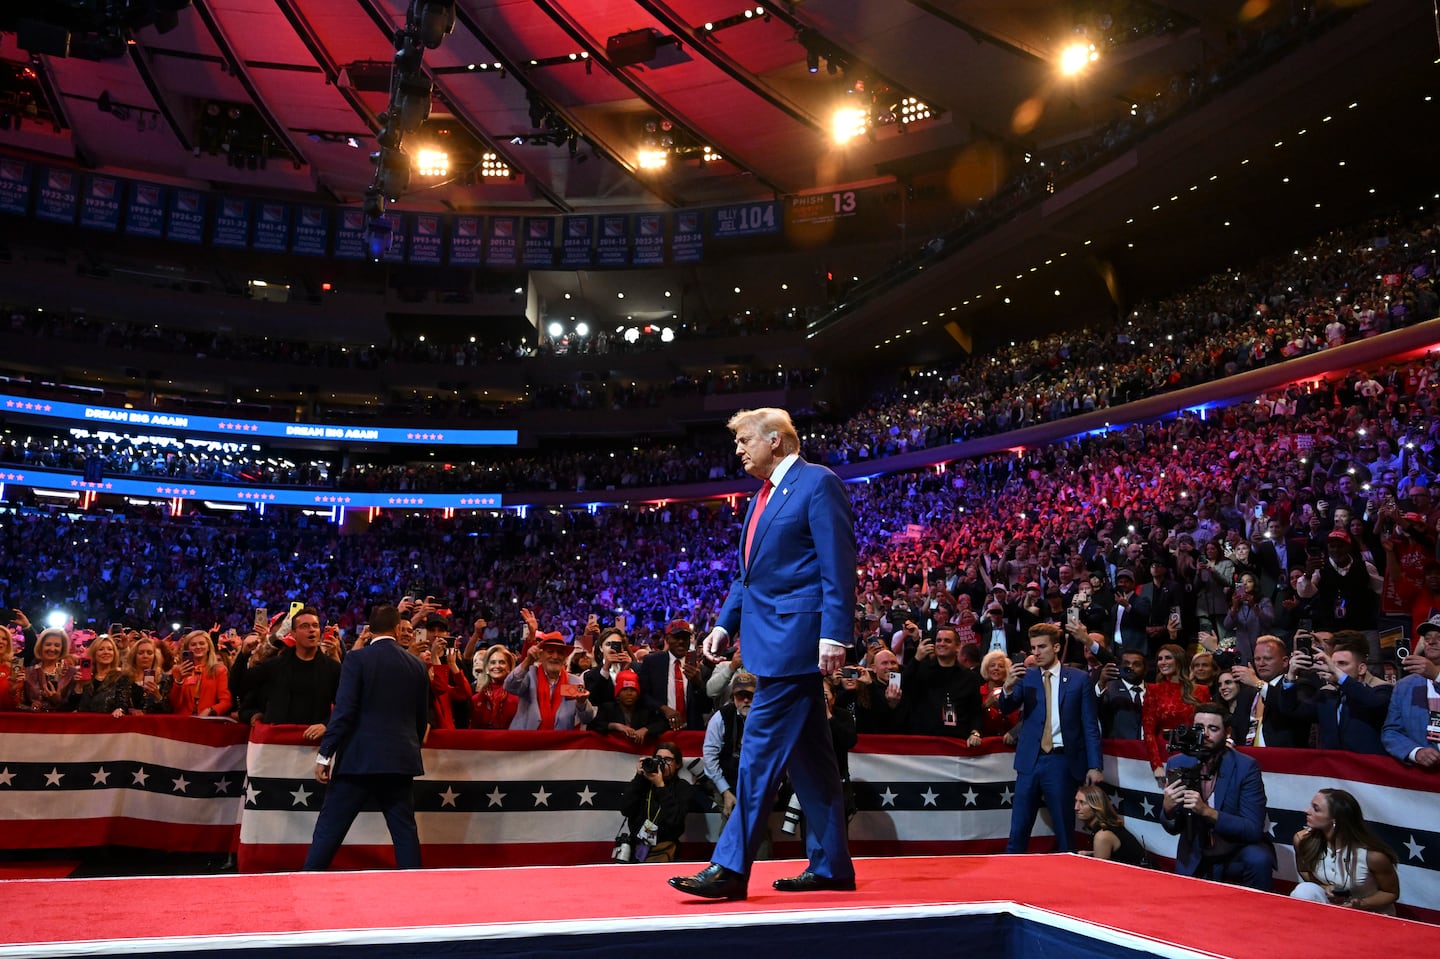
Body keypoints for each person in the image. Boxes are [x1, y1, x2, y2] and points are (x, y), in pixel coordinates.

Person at [671, 407, 856, 901]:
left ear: (776, 440)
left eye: (744, 440)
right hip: (770, 640)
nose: (737, 449)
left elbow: (839, 564)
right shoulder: (761, 497)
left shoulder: (818, 484)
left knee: (755, 757)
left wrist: (834, 634)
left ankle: (730, 867)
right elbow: (747, 576)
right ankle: (833, 865)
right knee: (814, 762)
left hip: (795, 644)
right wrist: (722, 624)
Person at [304, 604, 431, 871]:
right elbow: (421, 721)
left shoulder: (357, 659)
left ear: (369, 630)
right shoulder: (417, 666)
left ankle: (308, 880)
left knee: (330, 829)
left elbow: (344, 711)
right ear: (398, 628)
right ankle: (417, 891)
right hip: (399, 761)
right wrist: (408, 748)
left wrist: (325, 754)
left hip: (357, 761)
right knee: (404, 833)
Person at [998, 623, 1104, 853]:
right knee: (1018, 830)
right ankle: (1008, 878)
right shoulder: (1027, 677)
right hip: (1029, 761)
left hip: (1061, 762)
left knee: (1065, 829)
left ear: (1056, 647)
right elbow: (1006, 708)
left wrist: (1095, 765)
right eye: (1033, 647)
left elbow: (1089, 725)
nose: (1036, 652)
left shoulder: (1079, 679)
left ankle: (1068, 878)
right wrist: (1007, 687)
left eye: (1042, 647)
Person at [1159, 702, 1275, 891]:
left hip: (1237, 848)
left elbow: (1253, 829)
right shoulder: (1178, 762)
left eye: (1213, 728)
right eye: (1199, 728)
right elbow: (1172, 828)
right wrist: (1168, 809)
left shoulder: (1246, 767)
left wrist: (1207, 812)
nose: (1204, 734)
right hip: (1197, 848)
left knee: (1259, 858)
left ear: (1227, 732)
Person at [238, 607, 341, 740]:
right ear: (293, 633)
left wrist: (326, 724)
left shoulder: (333, 669)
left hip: (313, 746)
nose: (311, 630)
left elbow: (345, 706)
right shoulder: (274, 667)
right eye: (304, 626)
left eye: (315, 625)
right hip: (278, 745)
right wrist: (243, 655)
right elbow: (239, 688)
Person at [1291, 788, 1400, 913]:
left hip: (1368, 912)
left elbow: (1391, 892)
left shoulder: (1373, 855)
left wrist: (1362, 904)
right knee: (1304, 890)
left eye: (1316, 809)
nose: (1306, 811)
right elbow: (1304, 870)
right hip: (1330, 907)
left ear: (1335, 819)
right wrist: (1324, 887)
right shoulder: (1302, 840)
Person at [901, 624, 983, 743]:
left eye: (947, 641)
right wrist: (916, 659)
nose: (942, 644)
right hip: (924, 742)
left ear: (958, 647)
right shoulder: (921, 669)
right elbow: (902, 686)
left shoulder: (970, 677)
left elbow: (976, 711)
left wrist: (975, 732)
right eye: (938, 640)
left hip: (956, 742)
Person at [618, 741, 696, 864]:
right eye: (658, 758)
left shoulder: (682, 787)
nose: (661, 763)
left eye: (668, 760)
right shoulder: (643, 783)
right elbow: (625, 809)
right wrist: (638, 777)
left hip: (665, 850)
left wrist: (660, 786)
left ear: (678, 764)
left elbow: (675, 821)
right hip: (636, 848)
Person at [1142, 644, 1210, 783]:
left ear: (1179, 660)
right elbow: (1149, 732)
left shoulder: (1201, 690)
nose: (1162, 662)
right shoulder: (1153, 690)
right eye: (1160, 659)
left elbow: (1207, 725)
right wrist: (1156, 765)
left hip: (1195, 754)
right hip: (1165, 753)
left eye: (1168, 658)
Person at [505, 631, 595, 730]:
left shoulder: (576, 682)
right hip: (526, 741)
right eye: (550, 652)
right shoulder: (528, 675)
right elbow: (509, 686)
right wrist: (527, 662)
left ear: (565, 658)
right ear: (541, 655)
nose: (555, 657)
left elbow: (587, 719)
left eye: (560, 653)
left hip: (559, 742)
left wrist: (582, 703)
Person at [1381, 618, 1440, 768]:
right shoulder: (1405, 686)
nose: (1431, 642)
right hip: (1424, 776)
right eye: (1427, 638)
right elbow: (1391, 731)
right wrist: (1416, 752)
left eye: (1439, 637)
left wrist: (1437, 676)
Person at [637, 619, 711, 732]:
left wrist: (698, 684)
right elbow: (643, 696)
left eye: (685, 638)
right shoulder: (652, 662)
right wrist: (663, 708)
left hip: (690, 731)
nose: (681, 641)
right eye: (676, 637)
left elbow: (706, 707)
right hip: (658, 729)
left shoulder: (702, 670)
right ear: (667, 639)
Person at [1074, 784, 1147, 865]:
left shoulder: (1102, 835)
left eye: (1082, 803)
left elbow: (1099, 872)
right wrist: (1092, 853)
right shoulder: (1110, 826)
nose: (1076, 807)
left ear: (1096, 806)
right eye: (1075, 801)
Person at [591, 668, 667, 744]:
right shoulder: (607, 708)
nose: (629, 693)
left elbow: (662, 724)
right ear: (617, 695)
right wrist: (615, 726)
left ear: (637, 695)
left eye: (633, 690)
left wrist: (645, 729)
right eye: (624, 689)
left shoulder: (646, 710)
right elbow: (594, 725)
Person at [72, 634, 132, 717]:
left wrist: (119, 709)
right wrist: (79, 686)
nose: (106, 652)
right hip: (83, 725)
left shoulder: (121, 676)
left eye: (110, 649)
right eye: (101, 649)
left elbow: (123, 702)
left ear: (114, 653)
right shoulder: (82, 675)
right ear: (94, 653)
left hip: (108, 725)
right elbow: (71, 706)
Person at [22, 628, 77, 712]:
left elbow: (75, 705)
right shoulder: (28, 672)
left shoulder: (71, 673)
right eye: (48, 644)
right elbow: (19, 703)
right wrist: (31, 707)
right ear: (40, 647)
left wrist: (58, 700)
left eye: (57, 645)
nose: (52, 649)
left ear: (62, 648)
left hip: (61, 722)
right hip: (33, 721)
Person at [469, 644, 519, 729]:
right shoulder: (477, 699)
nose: (497, 666)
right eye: (492, 662)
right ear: (487, 668)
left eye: (502, 662)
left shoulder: (519, 697)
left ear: (509, 668)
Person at [125, 636, 173, 714]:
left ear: (154, 656)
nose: (145, 656)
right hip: (129, 723)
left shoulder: (164, 680)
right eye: (141, 653)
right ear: (134, 656)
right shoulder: (125, 678)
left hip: (153, 724)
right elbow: (118, 704)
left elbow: (169, 711)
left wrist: (157, 696)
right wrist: (129, 710)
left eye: (149, 653)